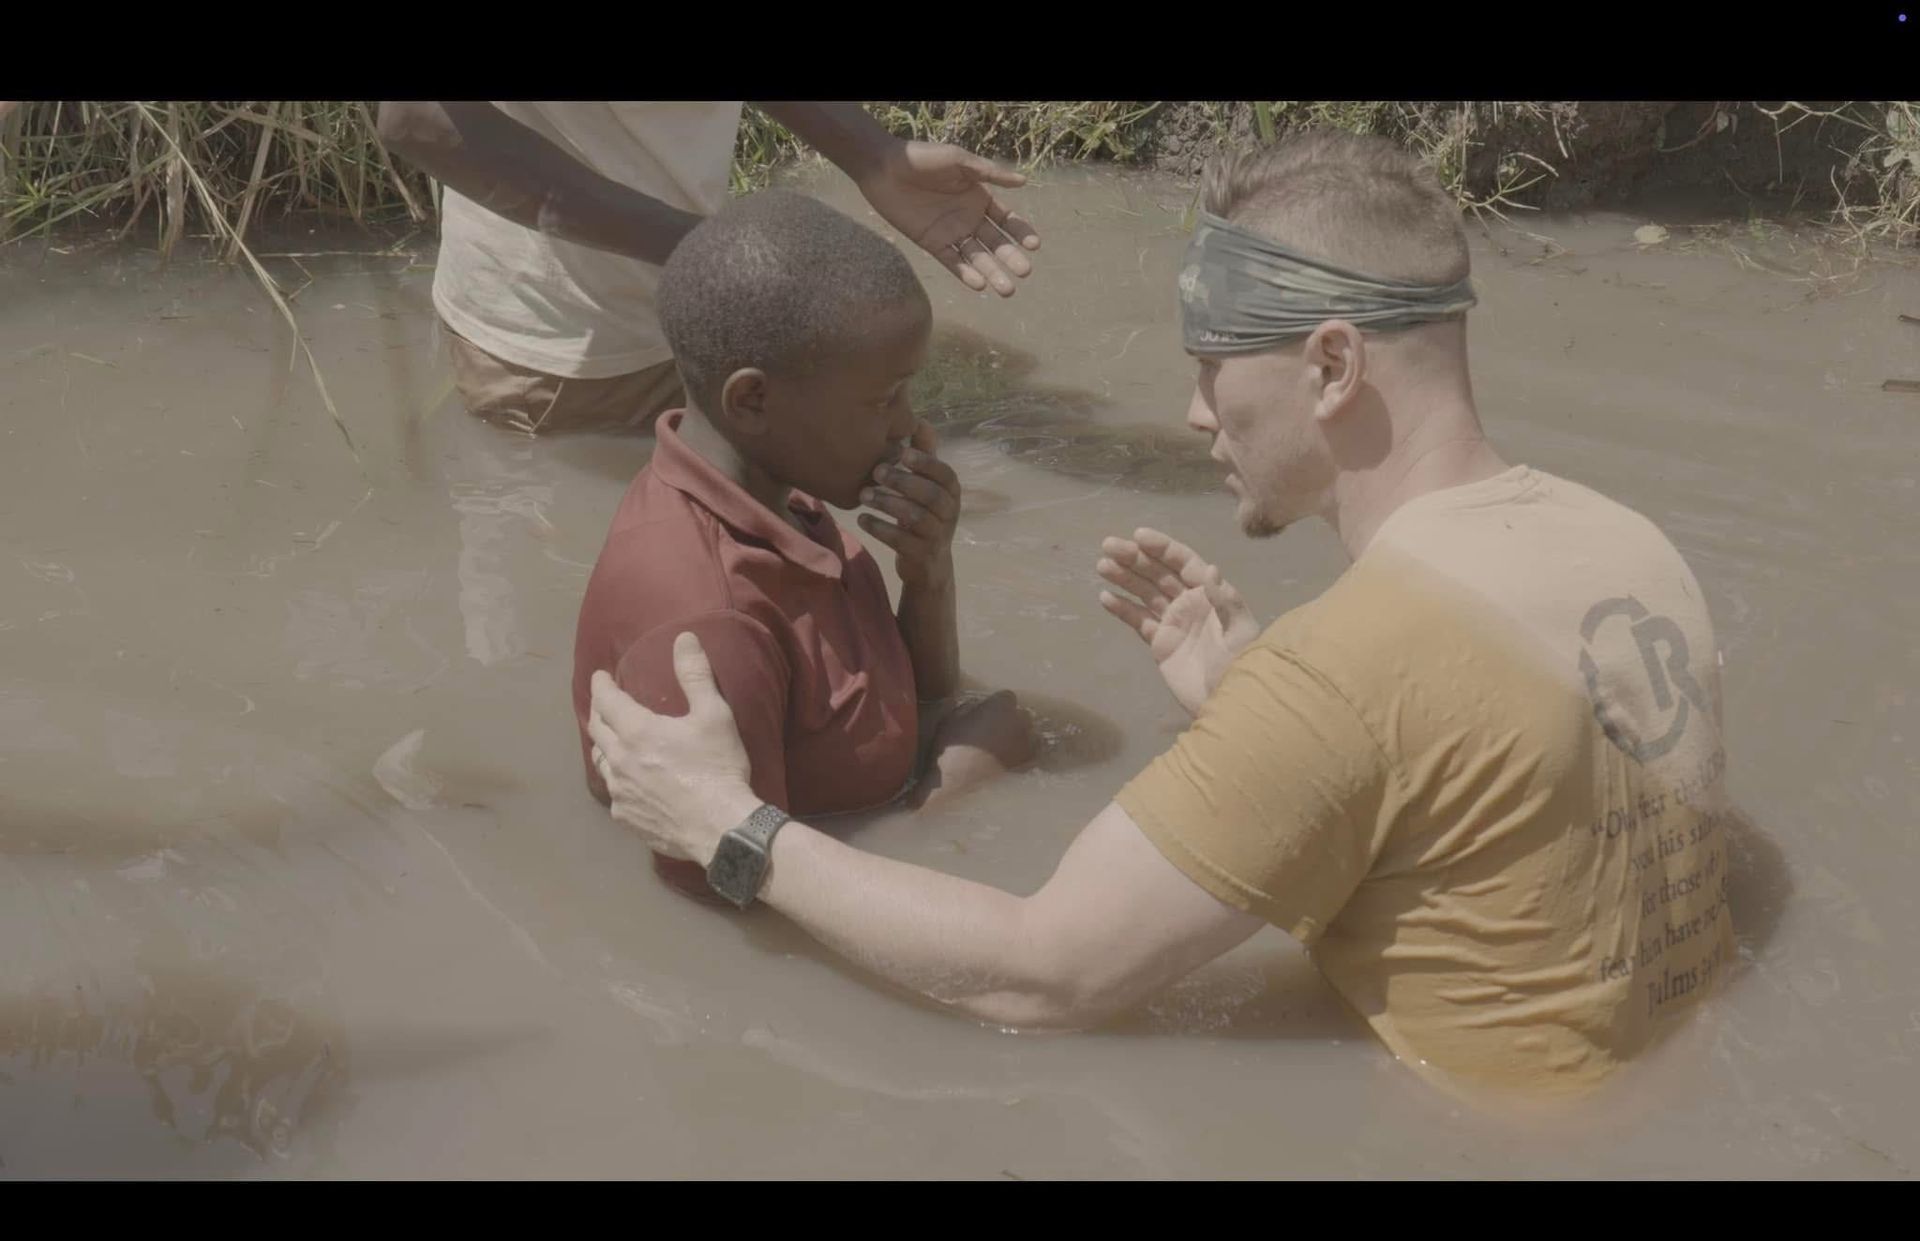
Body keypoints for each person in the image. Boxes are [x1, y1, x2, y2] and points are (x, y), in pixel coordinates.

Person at [584, 131, 1735, 1101]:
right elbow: (1498, 825)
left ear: (1332, 366)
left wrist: (728, 823)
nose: (1193, 415)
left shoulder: (1335, 679)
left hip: (1476, 1132)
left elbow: (1041, 981)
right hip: (1650, 1091)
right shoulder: (1633, 545)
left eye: (1213, 369)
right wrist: (1250, 703)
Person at [572, 190, 1032, 900]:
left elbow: (928, 696)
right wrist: (936, 816)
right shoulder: (708, 625)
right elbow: (732, 896)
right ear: (752, 401)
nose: (909, 428)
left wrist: (927, 570)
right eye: (884, 400)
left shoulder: (787, 491)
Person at [375, 102, 1040, 437]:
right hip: (569, 354)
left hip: (713, 305)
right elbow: (419, 117)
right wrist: (717, 252)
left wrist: (871, 154)